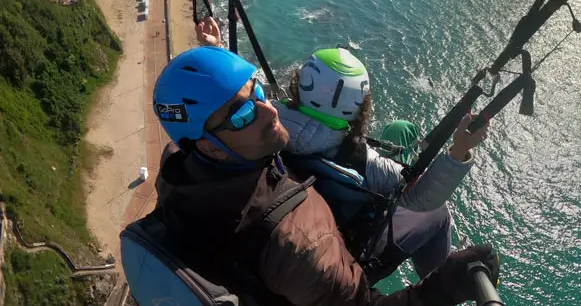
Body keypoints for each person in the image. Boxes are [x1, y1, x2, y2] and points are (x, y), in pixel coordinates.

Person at [151, 45, 499, 305]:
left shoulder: (180, 167)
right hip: (351, 248)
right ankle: (434, 267)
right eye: (243, 114)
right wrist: (445, 286)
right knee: (437, 214)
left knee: (400, 130)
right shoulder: (300, 241)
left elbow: (231, 120)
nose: (268, 110)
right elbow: (420, 199)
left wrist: (216, 68)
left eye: (256, 90)